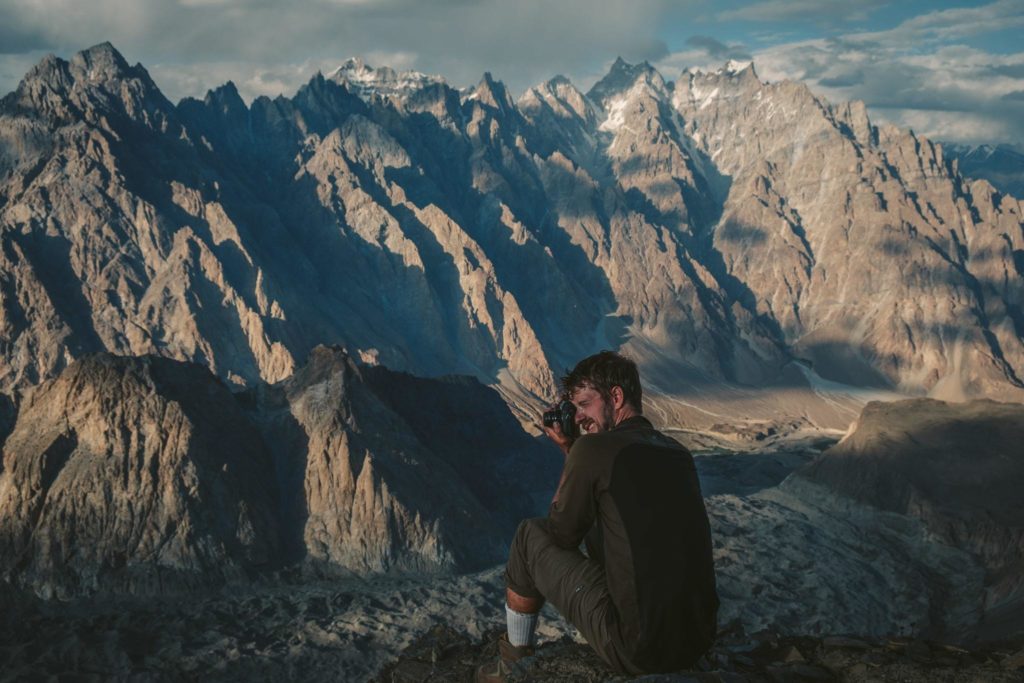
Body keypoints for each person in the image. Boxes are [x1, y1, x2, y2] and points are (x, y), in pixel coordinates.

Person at [476, 350, 718, 681]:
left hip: (637, 649)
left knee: (528, 535)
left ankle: (512, 663)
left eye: (584, 405)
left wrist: (571, 451)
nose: (577, 419)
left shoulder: (593, 450)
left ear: (616, 397)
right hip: (696, 643)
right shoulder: (678, 453)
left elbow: (561, 533)